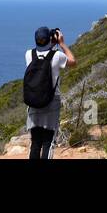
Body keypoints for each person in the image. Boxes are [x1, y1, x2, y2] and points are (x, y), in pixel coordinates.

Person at [24, 25, 76, 159]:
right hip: (51, 104)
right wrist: (62, 44)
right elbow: (73, 62)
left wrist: (50, 43)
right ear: (50, 39)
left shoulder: (29, 54)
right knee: (48, 142)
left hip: (33, 103)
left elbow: (42, 52)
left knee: (35, 143)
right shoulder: (57, 56)